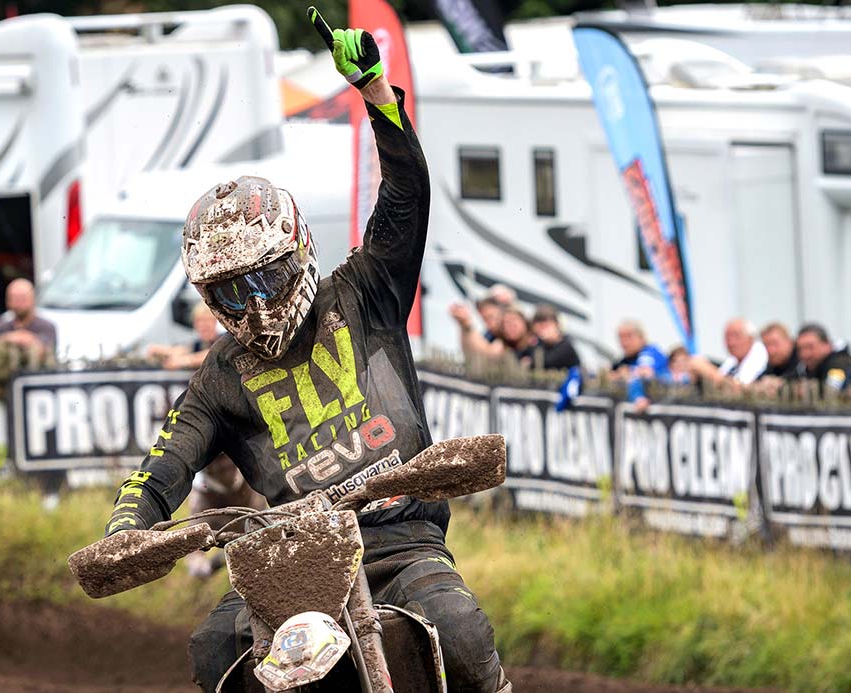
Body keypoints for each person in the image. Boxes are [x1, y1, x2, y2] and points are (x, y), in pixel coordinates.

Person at [101, 13, 509, 693]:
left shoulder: (367, 291)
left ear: (298, 253)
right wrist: (128, 526)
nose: (255, 303)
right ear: (206, 293)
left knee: (461, 629)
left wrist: (377, 92)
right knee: (212, 649)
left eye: (264, 276)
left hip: (400, 541)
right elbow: (165, 464)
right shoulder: (220, 377)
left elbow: (406, 195)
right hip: (292, 559)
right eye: (232, 289)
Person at [690, 318, 768, 387]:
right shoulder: (733, 361)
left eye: (736, 336)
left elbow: (741, 389)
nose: (731, 343)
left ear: (751, 338)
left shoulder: (759, 357)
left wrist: (710, 373)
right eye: (727, 337)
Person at [0, 278, 57, 357]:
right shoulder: (1, 326)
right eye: (14, 298)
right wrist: (11, 338)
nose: (18, 302)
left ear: (32, 299)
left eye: (22, 298)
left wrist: (28, 340)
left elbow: (44, 349)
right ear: (7, 301)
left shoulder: (46, 327)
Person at [147, 303, 220, 371]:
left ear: (215, 321)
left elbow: (211, 355)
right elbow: (184, 349)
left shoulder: (223, 340)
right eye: (199, 321)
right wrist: (160, 350)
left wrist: (183, 361)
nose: (203, 325)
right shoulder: (198, 344)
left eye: (206, 320)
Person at [795, 323, 851, 391]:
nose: (805, 354)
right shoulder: (805, 366)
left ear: (826, 345)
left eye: (810, 347)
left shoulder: (840, 362)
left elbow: (832, 389)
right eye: (800, 349)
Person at [523, 304, 580, 370]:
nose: (543, 329)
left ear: (557, 325)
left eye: (546, 325)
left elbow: (546, 362)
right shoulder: (538, 343)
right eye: (540, 326)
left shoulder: (566, 345)